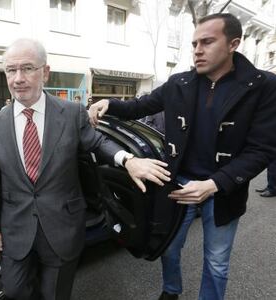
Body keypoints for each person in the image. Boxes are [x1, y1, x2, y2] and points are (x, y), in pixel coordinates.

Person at [89, 13, 276, 300]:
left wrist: (213, 185)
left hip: (224, 190)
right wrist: (107, 103)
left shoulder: (263, 86)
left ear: (233, 44)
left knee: (216, 263)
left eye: (207, 42)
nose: (197, 50)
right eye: (194, 43)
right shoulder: (180, 83)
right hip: (178, 184)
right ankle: (171, 290)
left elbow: (261, 150)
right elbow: (140, 106)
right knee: (168, 247)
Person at [0, 38, 171, 300]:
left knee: (56, 294)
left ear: (45, 72)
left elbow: (98, 142)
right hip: (15, 229)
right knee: (14, 291)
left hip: (62, 226)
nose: (18, 78)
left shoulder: (71, 113)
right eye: (11, 70)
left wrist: (129, 160)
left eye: (27, 68)